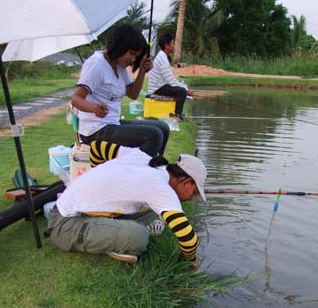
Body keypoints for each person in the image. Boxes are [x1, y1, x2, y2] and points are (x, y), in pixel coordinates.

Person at [46, 140, 207, 265]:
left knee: (153, 211)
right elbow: (189, 239)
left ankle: (113, 232)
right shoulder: (160, 188)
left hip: (71, 206)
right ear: (185, 181)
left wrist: (96, 173)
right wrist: (189, 261)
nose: (189, 199)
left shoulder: (142, 157)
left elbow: (97, 147)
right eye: (193, 193)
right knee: (139, 237)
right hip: (64, 225)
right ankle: (117, 242)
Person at [71, 25, 170, 157]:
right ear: (120, 45)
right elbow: (76, 99)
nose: (133, 59)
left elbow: (133, 94)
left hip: (113, 123)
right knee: (154, 135)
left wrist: (142, 70)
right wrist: (93, 108)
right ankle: (140, 172)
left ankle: (154, 167)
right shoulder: (97, 64)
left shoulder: (119, 66)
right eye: (131, 53)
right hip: (95, 130)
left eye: (136, 56)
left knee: (163, 128)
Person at [147, 33, 193, 121]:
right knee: (181, 91)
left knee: (181, 89)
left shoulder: (163, 56)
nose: (174, 46)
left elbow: (170, 78)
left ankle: (177, 114)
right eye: (173, 43)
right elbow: (172, 81)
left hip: (161, 85)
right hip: (157, 88)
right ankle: (177, 116)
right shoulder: (162, 59)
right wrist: (186, 90)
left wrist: (184, 87)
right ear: (166, 46)